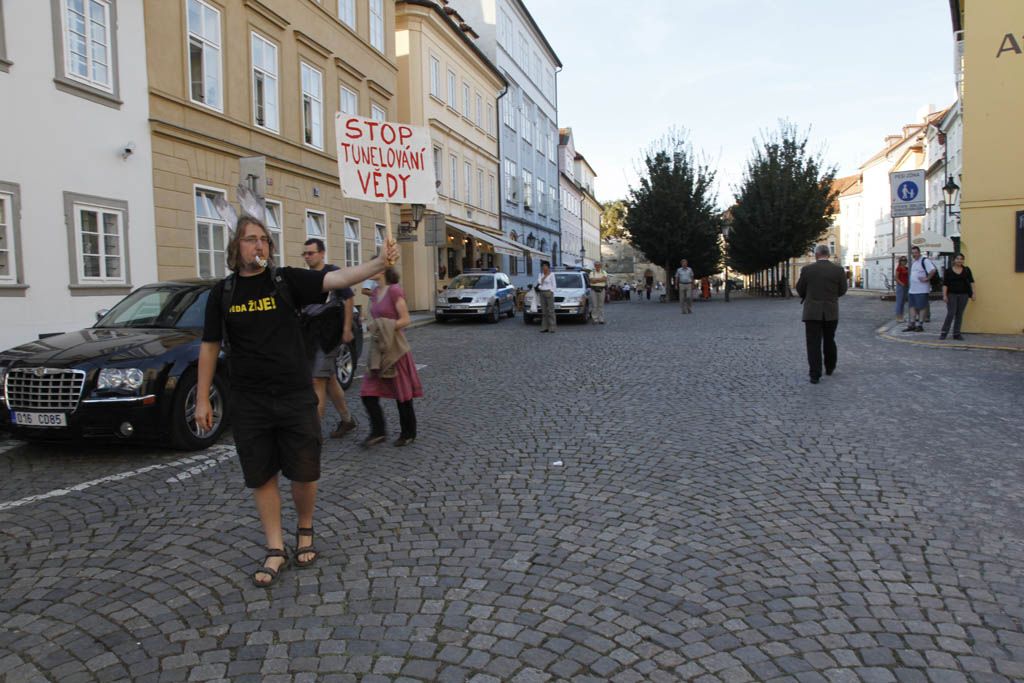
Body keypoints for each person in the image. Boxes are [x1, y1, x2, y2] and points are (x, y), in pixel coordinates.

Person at [196, 215, 396, 587]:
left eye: (263, 239)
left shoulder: (285, 280)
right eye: (250, 239)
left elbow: (337, 279)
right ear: (236, 247)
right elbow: (209, 346)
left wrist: (377, 263)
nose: (258, 245)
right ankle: (275, 547)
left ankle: (305, 528)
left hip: (294, 393)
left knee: (304, 471)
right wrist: (202, 399)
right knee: (261, 475)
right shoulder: (222, 293)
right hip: (249, 399)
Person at [360, 267, 422, 447]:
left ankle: (408, 432)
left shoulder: (394, 290)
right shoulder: (374, 293)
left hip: (396, 349)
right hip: (379, 349)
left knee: (402, 393)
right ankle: (378, 431)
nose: (370, 268)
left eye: (374, 266)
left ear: (382, 271)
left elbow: (405, 319)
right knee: (367, 392)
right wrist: (375, 326)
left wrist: (382, 325)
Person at [302, 238, 357, 439]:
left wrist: (347, 328)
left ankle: (313, 435)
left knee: (317, 379)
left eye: (311, 253)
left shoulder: (333, 273)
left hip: (329, 333)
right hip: (311, 333)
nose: (307, 257)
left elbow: (349, 298)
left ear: (322, 253)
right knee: (329, 378)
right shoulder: (305, 276)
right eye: (305, 254)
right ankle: (347, 420)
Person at [796, 244, 847, 384]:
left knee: (813, 343)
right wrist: (832, 297)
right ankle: (830, 367)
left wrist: (809, 295)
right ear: (828, 255)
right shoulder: (838, 270)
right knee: (830, 340)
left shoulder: (807, 270)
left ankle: (815, 374)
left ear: (816, 255)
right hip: (831, 311)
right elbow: (843, 290)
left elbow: (800, 289)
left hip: (812, 312)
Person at [940, 253, 976, 340]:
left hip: (964, 295)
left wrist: (973, 293)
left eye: (961, 259)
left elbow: (971, 282)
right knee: (951, 313)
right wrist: (944, 295)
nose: (959, 260)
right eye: (957, 259)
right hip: (951, 294)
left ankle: (956, 333)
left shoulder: (966, 270)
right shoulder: (948, 271)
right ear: (954, 260)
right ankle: (944, 332)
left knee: (959, 314)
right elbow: (945, 284)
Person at [904, 246, 937, 332]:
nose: (914, 254)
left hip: (922, 289)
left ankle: (920, 324)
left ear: (919, 252)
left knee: (922, 307)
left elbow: (933, 270)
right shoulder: (914, 262)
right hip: (913, 289)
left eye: (916, 253)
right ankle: (912, 323)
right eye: (913, 253)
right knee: (912, 306)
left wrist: (927, 278)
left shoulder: (925, 260)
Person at [536, 262, 557, 332]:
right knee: (544, 311)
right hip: (542, 292)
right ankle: (544, 327)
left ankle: (552, 327)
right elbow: (539, 282)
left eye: (545, 266)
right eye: (543, 266)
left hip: (549, 292)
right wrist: (544, 276)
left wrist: (551, 291)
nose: (544, 267)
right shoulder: (540, 274)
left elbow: (554, 285)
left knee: (551, 311)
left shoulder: (552, 274)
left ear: (548, 267)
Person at [894, 256, 909, 322]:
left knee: (903, 302)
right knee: (899, 302)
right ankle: (898, 317)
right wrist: (901, 283)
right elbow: (896, 278)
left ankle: (902, 316)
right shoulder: (899, 268)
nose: (904, 262)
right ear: (900, 261)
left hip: (906, 286)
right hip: (900, 286)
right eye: (902, 260)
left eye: (905, 260)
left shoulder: (906, 268)